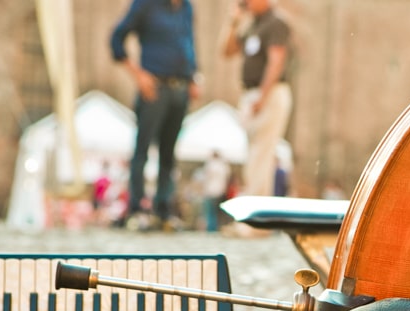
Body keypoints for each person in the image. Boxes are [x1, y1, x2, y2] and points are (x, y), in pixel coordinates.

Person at [110, 0, 200, 231]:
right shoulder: (146, 4)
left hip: (180, 88)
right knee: (142, 151)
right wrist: (138, 75)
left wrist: (193, 76)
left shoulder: (186, 7)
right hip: (154, 89)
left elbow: (188, 41)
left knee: (169, 154)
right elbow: (116, 40)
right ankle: (137, 209)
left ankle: (163, 210)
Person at [222, 0, 293, 197]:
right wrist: (233, 22)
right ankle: (254, 218)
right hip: (254, 94)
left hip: (269, 94)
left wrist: (262, 96)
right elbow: (227, 51)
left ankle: (256, 225)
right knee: (254, 156)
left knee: (261, 155)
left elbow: (276, 62)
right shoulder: (254, 25)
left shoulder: (276, 23)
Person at [200, 150, 231, 233]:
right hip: (219, 191)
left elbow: (206, 179)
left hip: (210, 191)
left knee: (210, 211)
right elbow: (226, 179)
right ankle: (215, 228)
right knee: (217, 212)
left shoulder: (210, 165)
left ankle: (210, 228)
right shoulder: (223, 166)